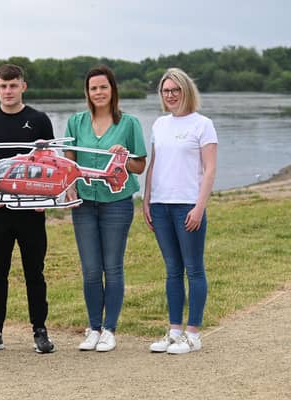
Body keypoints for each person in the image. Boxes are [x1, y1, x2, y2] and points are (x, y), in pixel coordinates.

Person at [0, 64, 56, 354]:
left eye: (13, 85)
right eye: (3, 86)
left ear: (23, 86)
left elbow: (50, 164)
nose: (8, 91)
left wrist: (43, 200)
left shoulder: (39, 120)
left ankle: (40, 331)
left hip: (31, 213)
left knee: (35, 272)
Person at [63, 65, 147, 352]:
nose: (98, 92)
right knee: (90, 269)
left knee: (112, 267)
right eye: (93, 88)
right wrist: (69, 185)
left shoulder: (130, 124)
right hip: (84, 203)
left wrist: (122, 159)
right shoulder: (75, 123)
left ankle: (110, 329)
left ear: (112, 89)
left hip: (117, 204)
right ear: (87, 92)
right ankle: (93, 328)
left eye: (103, 87)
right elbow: (69, 159)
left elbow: (140, 165)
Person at [143, 68, 218, 354]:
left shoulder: (203, 124)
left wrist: (200, 206)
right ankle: (174, 331)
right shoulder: (160, 125)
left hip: (188, 205)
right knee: (172, 269)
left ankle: (193, 334)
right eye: (166, 91)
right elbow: (154, 165)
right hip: (161, 205)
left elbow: (210, 169)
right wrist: (147, 200)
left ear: (186, 91)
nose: (171, 95)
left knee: (193, 268)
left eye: (175, 90)